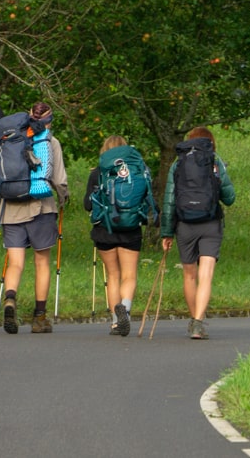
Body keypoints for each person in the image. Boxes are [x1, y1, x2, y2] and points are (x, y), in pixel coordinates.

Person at [0, 102, 69, 334]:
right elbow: (58, 180)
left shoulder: (9, 138)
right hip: (41, 208)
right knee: (41, 263)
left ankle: (10, 298)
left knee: (16, 262)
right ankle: (39, 317)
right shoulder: (50, 142)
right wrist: (64, 198)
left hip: (11, 208)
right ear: (50, 121)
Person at [160, 126, 235, 340]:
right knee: (206, 275)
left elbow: (169, 200)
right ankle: (198, 323)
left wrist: (166, 232)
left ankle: (194, 320)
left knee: (189, 274)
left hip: (185, 225)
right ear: (210, 142)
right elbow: (229, 197)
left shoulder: (178, 163)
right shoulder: (214, 160)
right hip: (210, 223)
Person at [83, 135, 148, 337]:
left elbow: (87, 204)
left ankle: (114, 321)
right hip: (130, 229)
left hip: (105, 229)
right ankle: (125, 311)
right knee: (129, 275)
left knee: (112, 275)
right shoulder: (136, 172)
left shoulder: (98, 173)